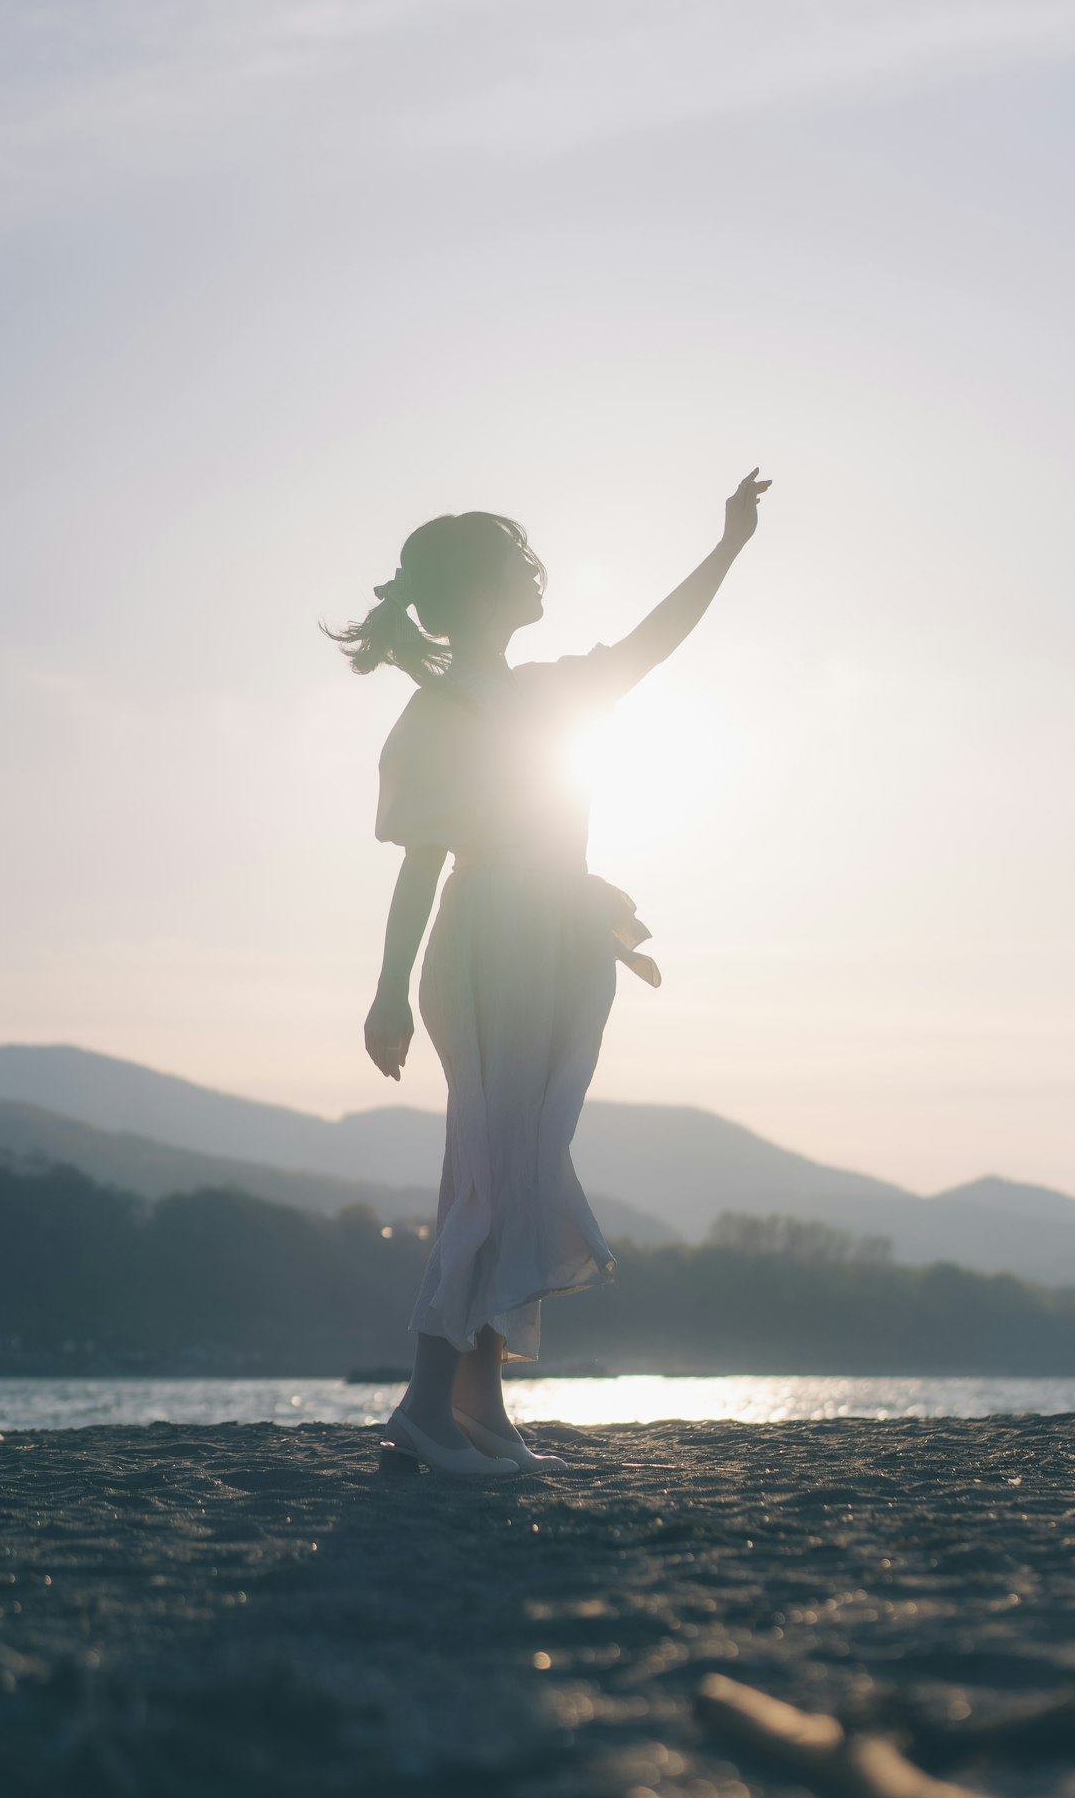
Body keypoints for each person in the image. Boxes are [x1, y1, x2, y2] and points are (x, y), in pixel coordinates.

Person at [328, 469, 770, 1475]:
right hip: (494, 938)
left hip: (551, 935)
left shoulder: (540, 693)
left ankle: (480, 1408)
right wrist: (388, 991)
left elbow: (654, 641)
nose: (538, 578)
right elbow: (421, 863)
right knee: (491, 1167)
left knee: (521, 1165)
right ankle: (426, 1407)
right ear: (481, 593)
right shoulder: (448, 708)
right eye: (519, 568)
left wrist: (728, 546)